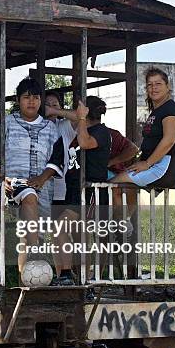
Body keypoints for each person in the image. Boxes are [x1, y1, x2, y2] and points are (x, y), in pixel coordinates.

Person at [0, 78, 65, 274]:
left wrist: (42, 178)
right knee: (29, 196)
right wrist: (0, 179)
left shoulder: (51, 129)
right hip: (13, 186)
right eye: (26, 97)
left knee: (28, 235)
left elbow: (56, 160)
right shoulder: (4, 124)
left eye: (36, 97)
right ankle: (37, 253)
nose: (31, 101)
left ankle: (29, 284)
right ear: (18, 100)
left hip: (44, 189)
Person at [52, 96, 111, 285]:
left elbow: (85, 143)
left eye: (79, 108)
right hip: (74, 190)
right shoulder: (81, 130)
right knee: (71, 233)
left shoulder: (100, 131)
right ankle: (70, 276)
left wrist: (82, 119)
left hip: (90, 191)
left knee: (71, 230)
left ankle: (75, 276)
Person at [111, 67, 175, 188]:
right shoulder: (157, 110)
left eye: (158, 83)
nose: (154, 87)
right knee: (123, 187)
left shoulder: (170, 108)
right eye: (150, 84)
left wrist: (147, 163)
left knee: (113, 184)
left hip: (163, 166)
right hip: (153, 164)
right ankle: (131, 208)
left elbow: (169, 140)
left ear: (167, 86)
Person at [43, 92, 78, 206]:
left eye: (55, 105)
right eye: (47, 105)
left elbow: (79, 116)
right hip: (40, 185)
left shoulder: (64, 124)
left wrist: (54, 111)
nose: (50, 108)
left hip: (62, 187)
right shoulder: (37, 126)